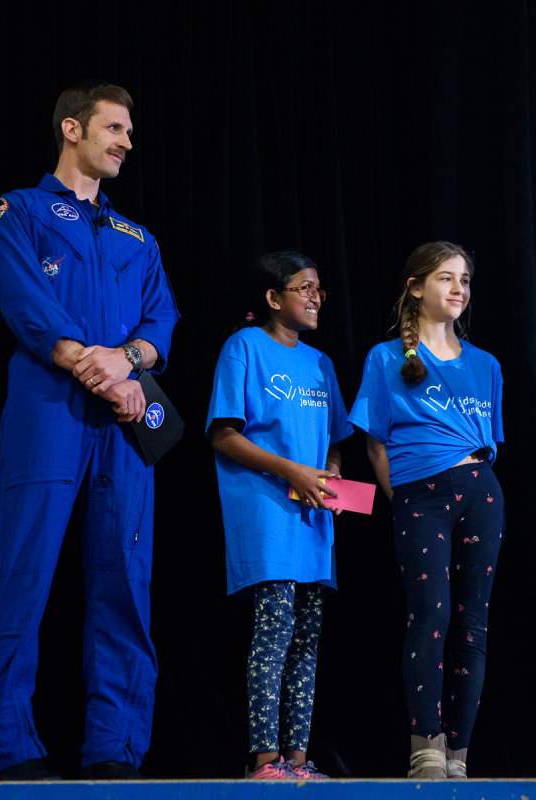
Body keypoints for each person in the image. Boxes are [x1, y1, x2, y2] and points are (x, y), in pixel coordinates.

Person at [0, 82, 180, 781]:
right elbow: (23, 302)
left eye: (129, 131)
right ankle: (9, 747)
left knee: (125, 580)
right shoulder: (19, 212)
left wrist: (126, 364)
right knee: (24, 573)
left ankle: (115, 748)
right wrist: (89, 365)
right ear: (72, 129)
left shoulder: (137, 237)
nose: (126, 142)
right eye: (114, 128)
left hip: (124, 426)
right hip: (47, 415)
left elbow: (161, 327)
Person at [349, 242, 505, 779]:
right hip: (420, 495)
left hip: (480, 491)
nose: (459, 288)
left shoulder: (486, 365)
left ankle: (459, 754)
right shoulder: (387, 357)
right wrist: (408, 499)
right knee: (431, 615)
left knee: (472, 625)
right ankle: (426, 747)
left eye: (464, 279)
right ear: (417, 287)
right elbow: (375, 445)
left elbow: (490, 443)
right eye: (445, 278)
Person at [205, 251, 352, 780]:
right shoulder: (244, 347)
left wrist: (329, 473)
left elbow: (337, 441)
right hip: (266, 511)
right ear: (273, 298)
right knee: (274, 630)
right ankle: (263, 760)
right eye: (304, 287)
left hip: (313, 518)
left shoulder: (320, 363)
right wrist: (292, 471)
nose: (315, 297)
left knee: (308, 638)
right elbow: (223, 434)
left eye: (319, 289)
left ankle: (298, 758)